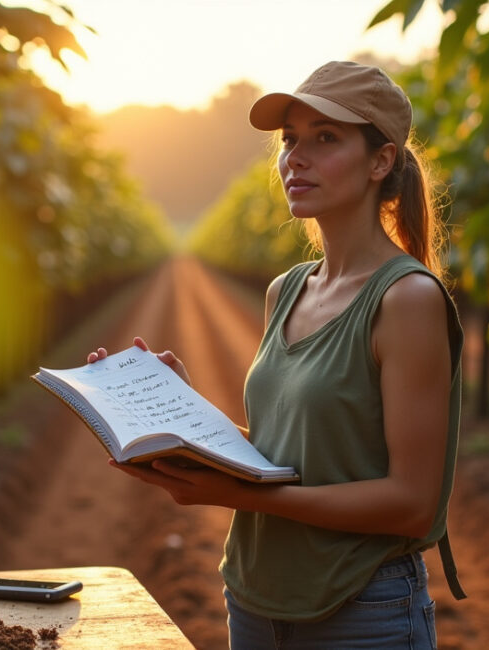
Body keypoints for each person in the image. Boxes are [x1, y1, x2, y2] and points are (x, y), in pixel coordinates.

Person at [88, 60, 464, 649]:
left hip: (360, 609)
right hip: (255, 599)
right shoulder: (286, 290)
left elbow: (413, 505)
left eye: (326, 138)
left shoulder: (407, 299)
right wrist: (185, 414)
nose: (296, 157)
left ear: (381, 161)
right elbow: (292, 452)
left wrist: (233, 496)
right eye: (291, 140)